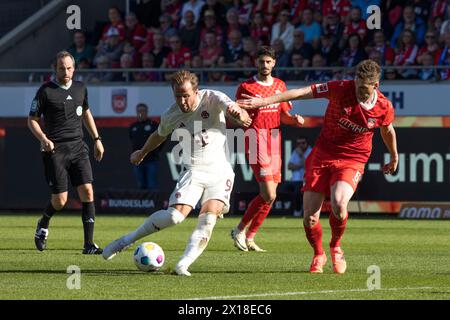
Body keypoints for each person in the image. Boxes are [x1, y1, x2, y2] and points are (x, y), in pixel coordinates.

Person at [237, 59, 398, 274]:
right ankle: (318, 254)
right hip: (322, 154)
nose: (358, 91)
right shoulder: (340, 88)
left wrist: (394, 156)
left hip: (353, 158)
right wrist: (264, 101)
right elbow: (300, 92)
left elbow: (387, 131)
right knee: (310, 217)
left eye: (364, 88)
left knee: (340, 205)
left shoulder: (383, 106)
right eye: (357, 84)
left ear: (375, 86)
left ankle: (336, 247)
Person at [102, 70, 251, 276]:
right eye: (177, 96)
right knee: (174, 217)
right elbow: (158, 135)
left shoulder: (213, 98)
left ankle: (183, 264)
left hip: (220, 170)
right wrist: (142, 152)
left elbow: (239, 113)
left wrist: (240, 115)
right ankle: (126, 240)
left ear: (196, 92)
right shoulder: (172, 114)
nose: (182, 100)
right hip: (193, 170)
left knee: (208, 219)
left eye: (186, 95)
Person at [28, 51, 105, 254]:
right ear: (55, 68)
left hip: (78, 148)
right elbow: (32, 120)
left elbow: (86, 112)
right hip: (55, 151)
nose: (66, 71)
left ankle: (88, 244)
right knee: (60, 201)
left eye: (69, 67)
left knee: (87, 192)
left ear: (74, 68)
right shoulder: (45, 91)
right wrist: (44, 139)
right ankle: (43, 223)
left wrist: (97, 139)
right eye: (62, 68)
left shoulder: (81, 88)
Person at [230, 46, 304, 253]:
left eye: (268, 62)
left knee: (271, 195)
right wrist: (239, 118)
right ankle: (239, 229)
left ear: (274, 63)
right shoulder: (246, 87)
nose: (265, 65)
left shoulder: (280, 85)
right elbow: (236, 115)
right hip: (255, 140)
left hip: (274, 140)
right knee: (269, 192)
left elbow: (284, 115)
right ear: (256, 63)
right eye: (261, 61)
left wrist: (294, 119)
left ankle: (250, 236)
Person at [129, 103, 162, 190]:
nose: (141, 113)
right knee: (141, 185)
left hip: (151, 160)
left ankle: (154, 203)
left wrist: (155, 151)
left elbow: (161, 140)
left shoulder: (153, 125)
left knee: (152, 184)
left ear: (147, 112)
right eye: (139, 111)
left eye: (143, 111)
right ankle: (144, 203)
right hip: (138, 161)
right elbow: (132, 140)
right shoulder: (133, 127)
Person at [287, 136, 312, 217]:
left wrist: (301, 156)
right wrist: (301, 165)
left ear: (307, 143)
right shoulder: (295, 151)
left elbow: (307, 166)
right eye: (299, 143)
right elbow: (289, 166)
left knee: (298, 191)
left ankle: (298, 210)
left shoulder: (311, 151)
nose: (301, 145)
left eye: (303, 143)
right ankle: (289, 210)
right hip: (295, 180)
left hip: (306, 180)